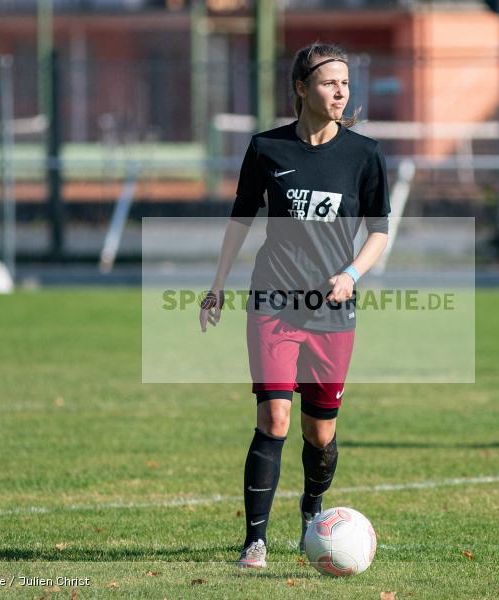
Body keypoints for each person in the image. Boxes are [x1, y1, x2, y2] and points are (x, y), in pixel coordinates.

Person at [199, 42, 390, 568]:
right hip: (272, 301)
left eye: (345, 83)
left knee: (319, 432)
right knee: (275, 418)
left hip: (332, 310)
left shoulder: (364, 154)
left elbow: (379, 231)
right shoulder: (267, 149)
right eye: (330, 82)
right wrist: (218, 282)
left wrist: (351, 274)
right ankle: (254, 542)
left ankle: (313, 510)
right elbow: (240, 219)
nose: (341, 91)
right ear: (302, 88)